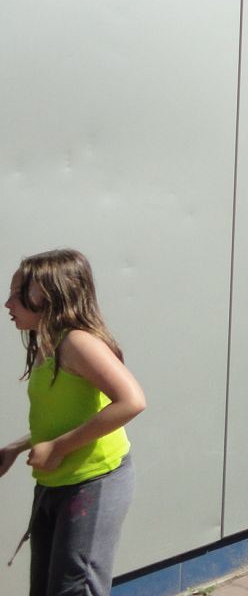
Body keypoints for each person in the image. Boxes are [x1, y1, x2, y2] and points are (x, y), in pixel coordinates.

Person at [3, 250, 146, 596]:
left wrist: (58, 447)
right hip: (57, 482)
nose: (8, 303)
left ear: (50, 295)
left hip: (93, 483)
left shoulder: (77, 343)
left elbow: (132, 401)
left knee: (74, 590)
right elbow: (66, 415)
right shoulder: (47, 343)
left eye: (18, 294)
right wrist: (16, 448)